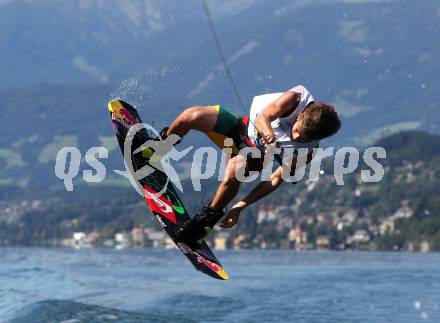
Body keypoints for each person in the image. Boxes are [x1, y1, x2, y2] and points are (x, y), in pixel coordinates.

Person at [158, 85, 341, 245]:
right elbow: (264, 116)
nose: (297, 138)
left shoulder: (307, 152)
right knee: (191, 115)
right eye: (298, 130)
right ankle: (158, 149)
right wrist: (269, 133)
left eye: (305, 138)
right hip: (239, 129)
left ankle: (206, 221)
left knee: (234, 170)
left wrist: (240, 207)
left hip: (254, 156)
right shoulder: (296, 98)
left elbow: (275, 179)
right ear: (300, 115)